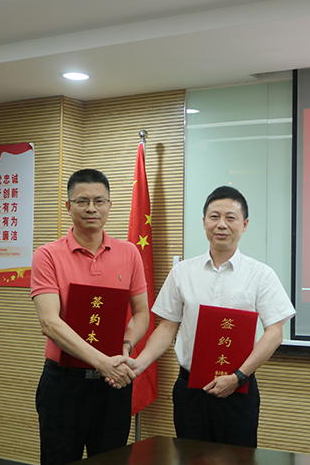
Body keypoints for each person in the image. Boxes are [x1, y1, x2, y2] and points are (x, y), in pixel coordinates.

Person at [114, 185, 295, 447]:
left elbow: (274, 333)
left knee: (238, 460)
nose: (221, 224)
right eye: (214, 217)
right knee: (190, 457)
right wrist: (139, 364)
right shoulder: (182, 272)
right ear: (203, 222)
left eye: (230, 218)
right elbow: (166, 328)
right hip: (190, 390)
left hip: (238, 389)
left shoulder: (261, 274)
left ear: (244, 225)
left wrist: (238, 377)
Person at [30, 169, 150, 465]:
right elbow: (49, 323)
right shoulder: (47, 255)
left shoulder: (129, 253)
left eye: (99, 201)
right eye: (82, 201)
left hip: (113, 385)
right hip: (63, 384)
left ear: (109, 205)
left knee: (111, 460)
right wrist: (102, 362)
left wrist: (124, 348)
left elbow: (141, 313)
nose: (91, 208)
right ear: (68, 206)